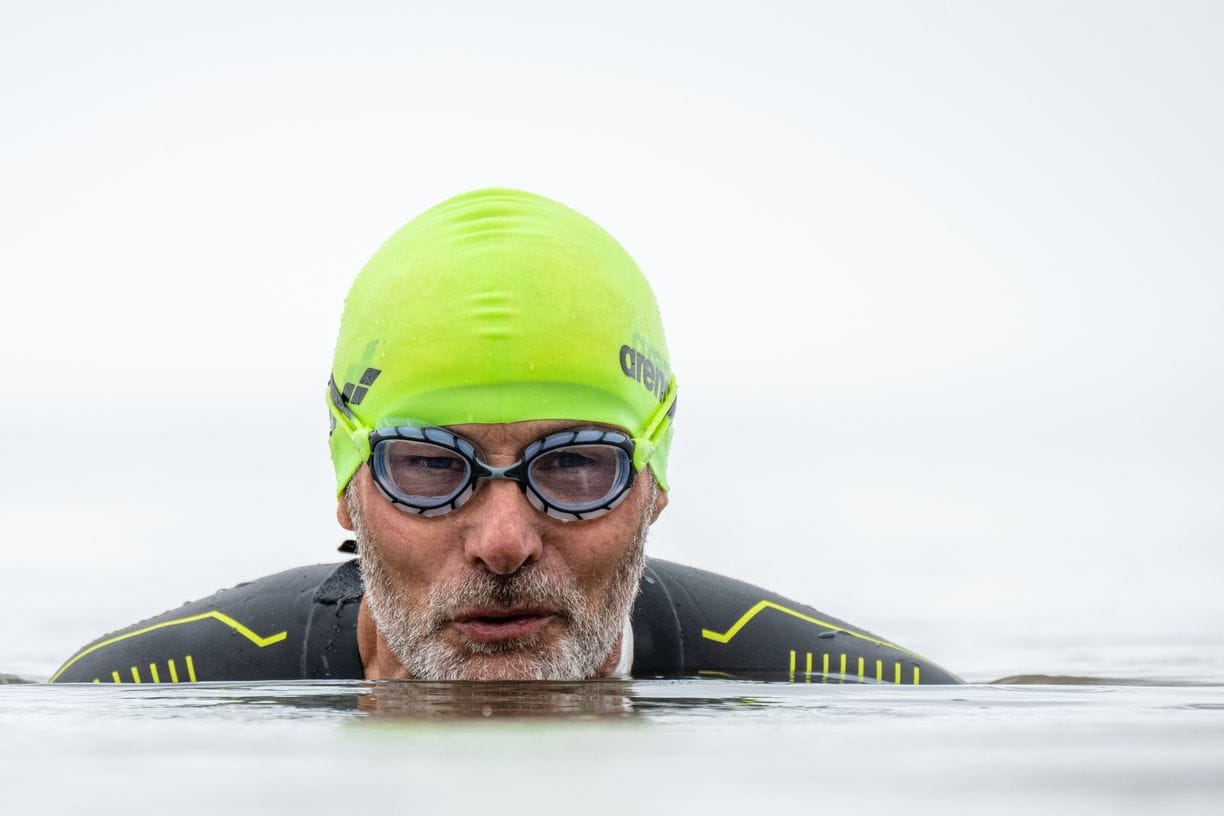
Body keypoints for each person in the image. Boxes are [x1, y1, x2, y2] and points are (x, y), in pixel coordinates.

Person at [52, 188, 958, 686]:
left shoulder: (872, 700)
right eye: (428, 467)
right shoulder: (134, 695)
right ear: (346, 485)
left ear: (654, 481)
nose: (501, 543)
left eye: (571, 466)